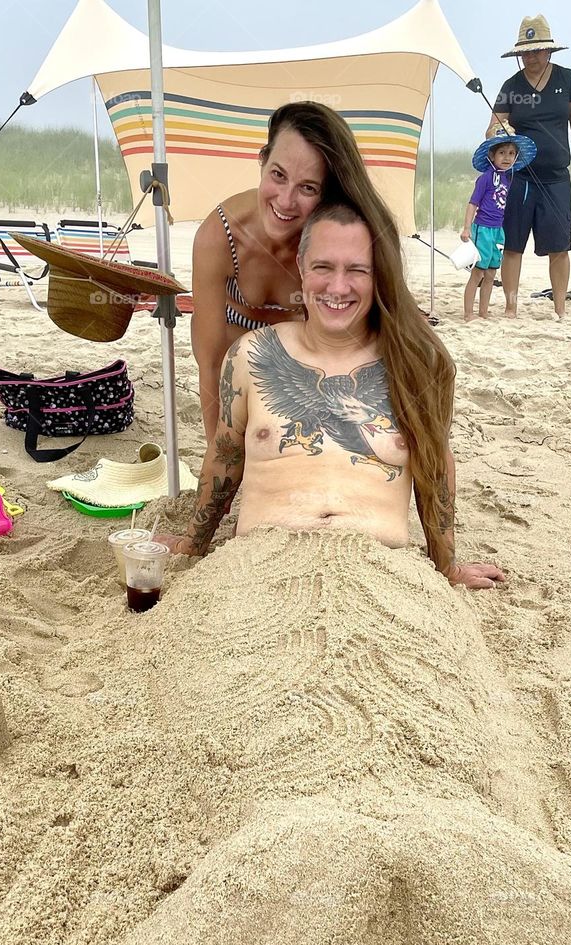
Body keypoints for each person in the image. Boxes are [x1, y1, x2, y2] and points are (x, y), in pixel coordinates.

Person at [161, 204, 505, 591]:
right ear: (302, 268)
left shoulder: (416, 361)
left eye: (356, 270)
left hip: (382, 575)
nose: (338, 287)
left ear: (378, 276)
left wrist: (448, 567)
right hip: (258, 571)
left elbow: (435, 467)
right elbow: (225, 456)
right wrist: (191, 545)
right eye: (323, 267)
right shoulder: (249, 354)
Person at [191, 101, 400, 445]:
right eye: (278, 175)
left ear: (327, 192)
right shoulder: (219, 235)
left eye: (308, 188)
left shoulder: (332, 242)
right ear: (262, 163)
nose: (285, 201)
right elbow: (211, 364)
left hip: (307, 358)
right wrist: (218, 456)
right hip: (231, 351)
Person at [487, 14, 571, 320]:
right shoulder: (511, 85)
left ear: (548, 50)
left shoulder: (566, 79)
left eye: (536, 50)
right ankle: (510, 306)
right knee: (513, 246)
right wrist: (501, 130)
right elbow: (492, 128)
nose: (531, 57)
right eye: (526, 52)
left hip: (557, 178)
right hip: (519, 178)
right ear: (519, 54)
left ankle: (560, 308)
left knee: (560, 246)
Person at [460, 135, 536, 322]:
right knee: (477, 273)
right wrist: (466, 228)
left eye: (511, 153)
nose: (507, 157)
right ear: (492, 155)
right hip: (482, 230)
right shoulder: (485, 178)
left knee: (491, 273)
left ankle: (483, 312)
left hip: (498, 230)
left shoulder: (507, 179)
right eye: (502, 153)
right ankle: (469, 313)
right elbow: (472, 204)